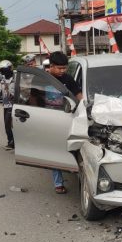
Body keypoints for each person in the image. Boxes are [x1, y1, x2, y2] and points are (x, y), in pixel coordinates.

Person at [47, 51, 82, 194]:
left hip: (68, 118)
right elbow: (33, 99)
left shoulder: (68, 79)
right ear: (51, 66)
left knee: (71, 148)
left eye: (64, 68)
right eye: (59, 68)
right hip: (48, 120)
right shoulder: (43, 79)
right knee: (55, 151)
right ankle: (58, 183)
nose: (63, 71)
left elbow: (79, 96)